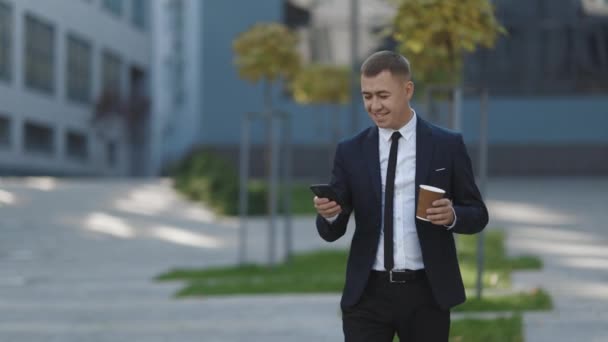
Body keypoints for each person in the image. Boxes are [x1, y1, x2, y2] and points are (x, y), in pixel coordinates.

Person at [313, 51, 488, 341]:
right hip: (367, 294)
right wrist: (330, 213)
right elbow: (332, 229)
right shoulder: (350, 151)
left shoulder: (447, 145)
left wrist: (453, 215)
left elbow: (478, 214)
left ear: (408, 90)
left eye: (383, 95)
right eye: (366, 96)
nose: (374, 106)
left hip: (426, 292)